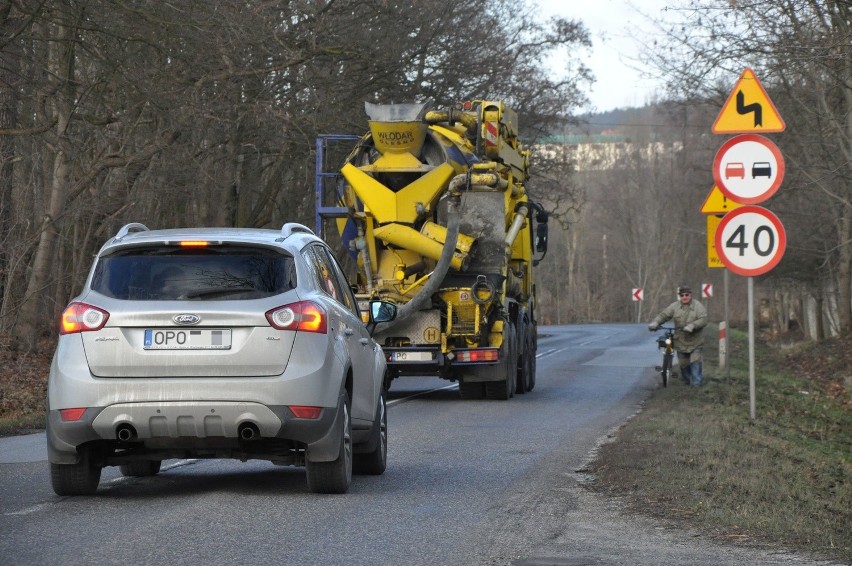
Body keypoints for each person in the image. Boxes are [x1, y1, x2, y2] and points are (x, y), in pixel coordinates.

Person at [648, 285, 708, 387]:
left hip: (695, 341)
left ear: (690, 295)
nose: (684, 297)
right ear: (679, 296)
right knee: (683, 365)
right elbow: (664, 315)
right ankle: (687, 386)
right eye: (682, 295)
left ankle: (697, 387)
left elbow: (703, 319)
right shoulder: (674, 306)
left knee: (695, 364)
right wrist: (656, 323)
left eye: (687, 295)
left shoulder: (698, 306)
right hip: (680, 341)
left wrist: (693, 325)